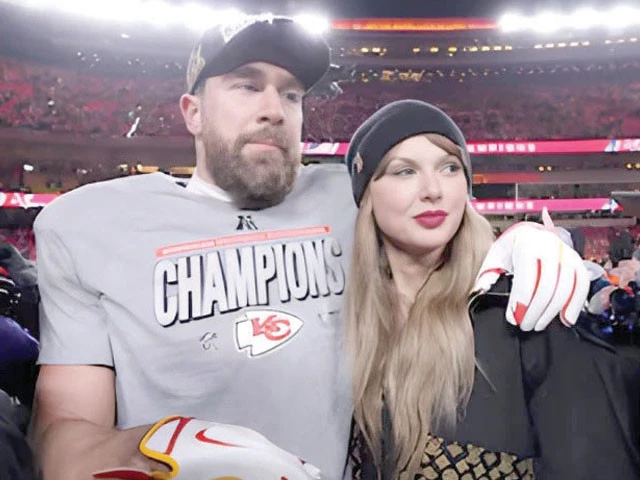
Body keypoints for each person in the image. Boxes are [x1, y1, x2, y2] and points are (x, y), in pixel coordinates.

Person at [31, 16, 589, 480]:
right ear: (193, 112)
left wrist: (529, 239)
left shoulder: (349, 197)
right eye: (247, 85)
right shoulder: (90, 225)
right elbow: (61, 436)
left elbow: (442, 218)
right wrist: (159, 449)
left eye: (291, 94)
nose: (275, 109)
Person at [344, 100, 640, 479]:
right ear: (367, 195)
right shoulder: (338, 320)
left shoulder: (523, 314)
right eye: (405, 171)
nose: (433, 190)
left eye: (450, 167)